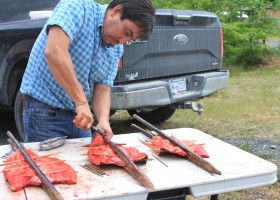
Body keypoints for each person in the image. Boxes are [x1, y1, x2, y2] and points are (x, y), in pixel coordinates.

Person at [20, 0, 155, 142]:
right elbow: (54, 50)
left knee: (85, 160)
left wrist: (103, 120)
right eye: (126, 32)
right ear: (116, 11)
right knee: (46, 164)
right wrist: (81, 102)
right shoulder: (77, 7)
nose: (122, 41)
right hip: (45, 111)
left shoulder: (116, 49)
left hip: (80, 117)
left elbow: (102, 89)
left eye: (129, 39)